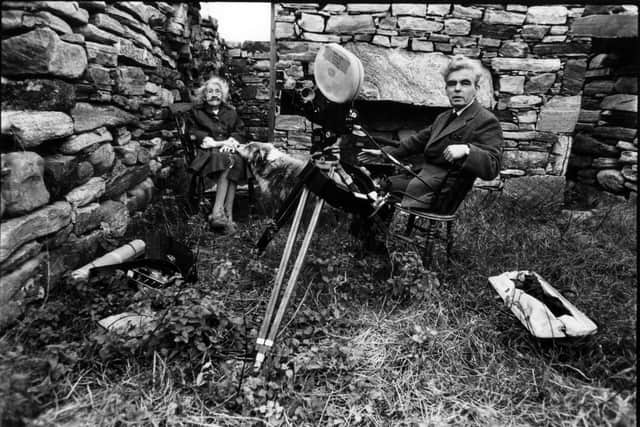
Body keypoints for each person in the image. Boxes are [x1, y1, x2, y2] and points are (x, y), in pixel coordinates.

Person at [358, 55, 503, 213]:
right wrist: (383, 153)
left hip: (441, 194)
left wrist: (467, 150)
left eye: (465, 83)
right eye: (452, 84)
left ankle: (372, 234)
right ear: (446, 89)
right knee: (373, 183)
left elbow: (493, 166)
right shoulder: (444, 117)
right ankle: (370, 235)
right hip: (425, 179)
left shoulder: (485, 120)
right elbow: (416, 141)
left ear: (477, 89)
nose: (457, 89)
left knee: (379, 186)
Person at [187, 76, 247, 234]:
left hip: (227, 151)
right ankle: (219, 213)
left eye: (218, 91)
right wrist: (208, 140)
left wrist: (232, 140)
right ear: (204, 95)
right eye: (210, 91)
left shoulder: (231, 112)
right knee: (228, 160)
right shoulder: (197, 112)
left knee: (236, 160)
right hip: (207, 154)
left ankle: (225, 216)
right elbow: (193, 132)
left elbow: (240, 131)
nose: (214, 94)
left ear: (223, 95)